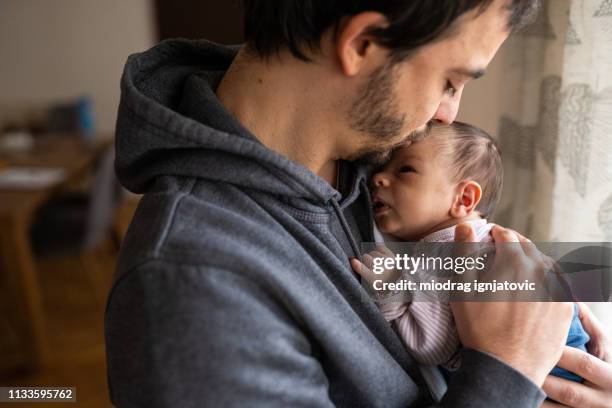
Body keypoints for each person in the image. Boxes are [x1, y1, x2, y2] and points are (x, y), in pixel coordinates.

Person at [105, 0, 612, 406]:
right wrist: (508, 373)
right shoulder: (194, 290)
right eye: (450, 81)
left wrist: (553, 327)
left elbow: (455, 262)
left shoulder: (370, 160)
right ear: (363, 44)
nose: (446, 114)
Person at [350, 122, 591, 396]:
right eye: (382, 167)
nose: (378, 178)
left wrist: (394, 289)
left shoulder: (453, 254)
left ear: (464, 198)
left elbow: (436, 347)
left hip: (549, 369)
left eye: (405, 170)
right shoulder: (477, 244)